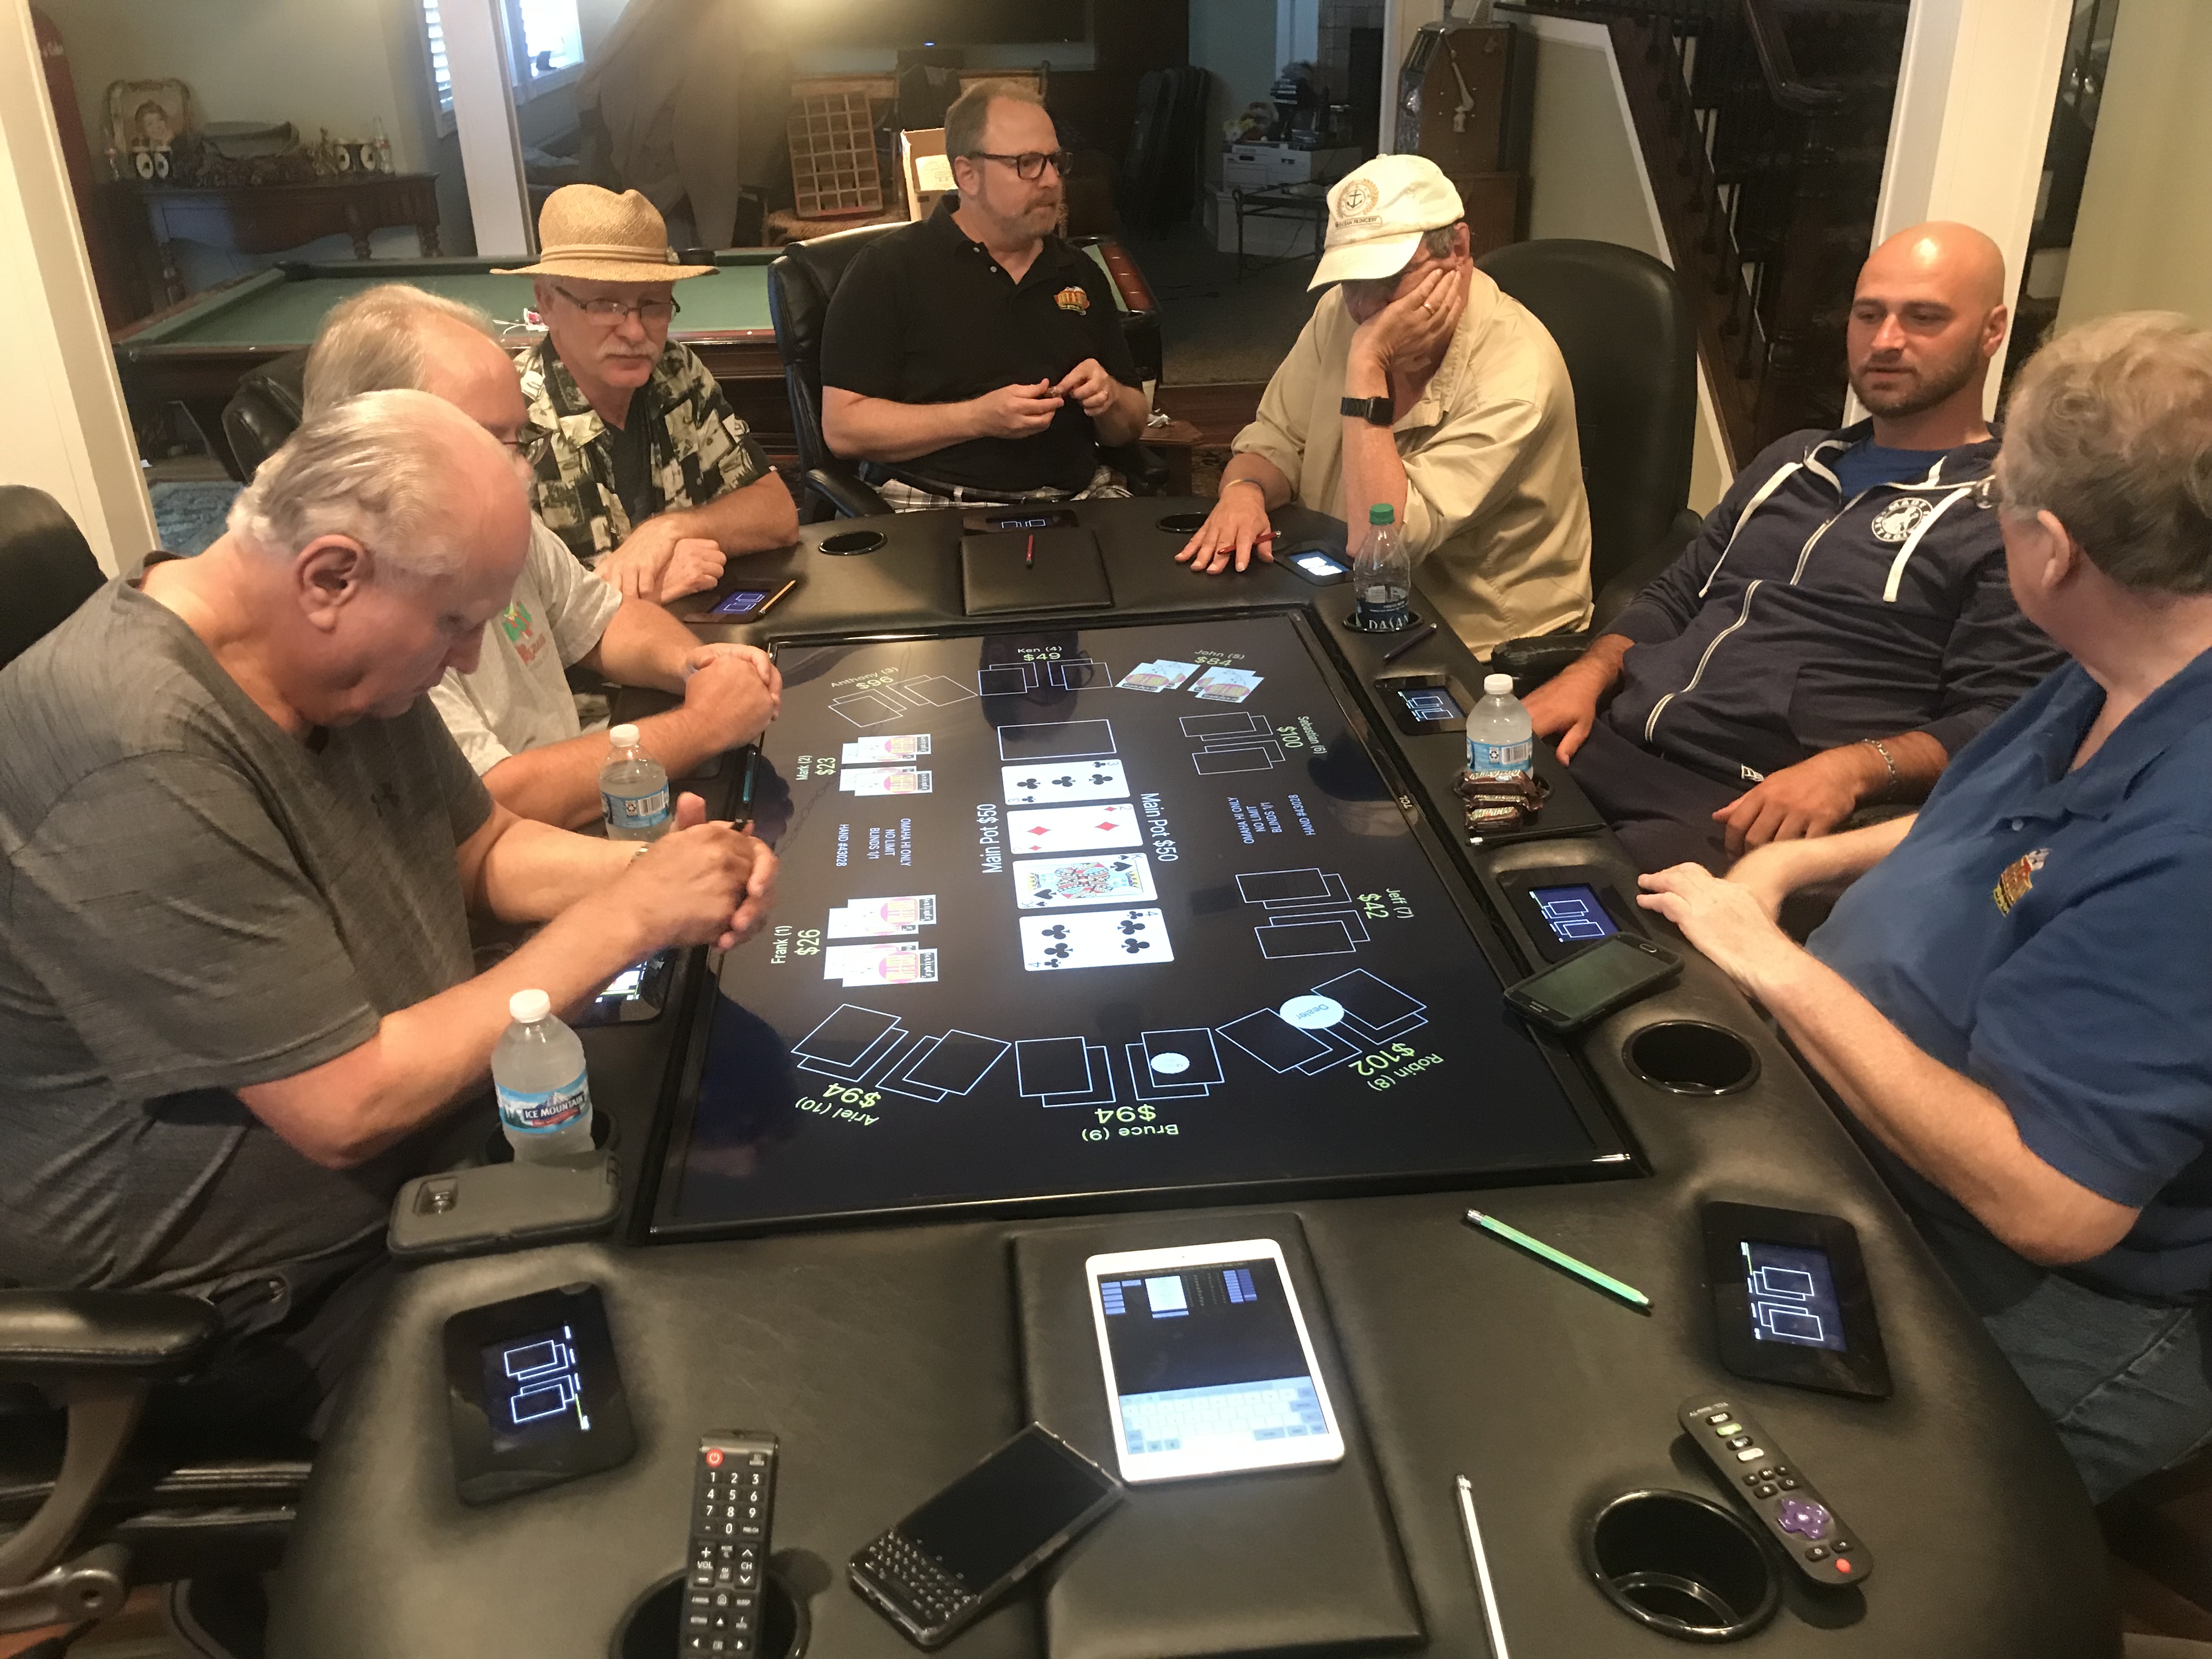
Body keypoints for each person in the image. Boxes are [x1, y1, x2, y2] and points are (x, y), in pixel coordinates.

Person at [0, 392, 777, 1442]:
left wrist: (654, 871)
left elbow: (480, 852)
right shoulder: (131, 748)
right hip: (249, 1300)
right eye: (455, 623)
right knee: (706, 1380)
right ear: (330, 575)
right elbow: (347, 1101)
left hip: (430, 1148)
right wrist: (631, 917)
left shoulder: (338, 667)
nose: (467, 658)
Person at [1638, 312, 2212, 1502]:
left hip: (2060, 1288)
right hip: (1865, 1140)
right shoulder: (2117, 666)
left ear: (2052, 549)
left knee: (1758, 1492)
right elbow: (1998, 829)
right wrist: (1801, 867)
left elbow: (2054, 1202)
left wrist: (1777, 967)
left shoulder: (2191, 832)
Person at [1523, 222, 2063, 872]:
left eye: (1923, 318)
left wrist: (1853, 770)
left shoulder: (2008, 513)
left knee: (1544, 908)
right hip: (1608, 739)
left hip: (1741, 803)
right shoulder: (1793, 460)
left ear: (1992, 330)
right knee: (1431, 819)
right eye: (1869, 315)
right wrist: (1585, 675)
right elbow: (1674, 596)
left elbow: (2004, 717)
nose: (1886, 341)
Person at [302, 284, 782, 828]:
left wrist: (697, 666)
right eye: (488, 440)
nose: (524, 472)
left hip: (577, 817)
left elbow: (603, 618)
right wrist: (704, 725)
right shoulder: (369, 607)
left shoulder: (494, 516)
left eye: (518, 439)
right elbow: (488, 807)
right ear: (372, 447)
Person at [1175, 153, 1594, 658]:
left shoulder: (1519, 375)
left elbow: (1384, 541)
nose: (1363, 308)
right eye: (1351, 280)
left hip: (1476, 642)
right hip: (1342, 598)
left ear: (1459, 249)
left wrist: (1368, 365)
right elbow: (1277, 439)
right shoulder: (1340, 312)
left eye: (1390, 280)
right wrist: (1244, 492)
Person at [819, 80, 1152, 509]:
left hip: (1077, 500)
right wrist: (977, 418)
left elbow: (1131, 425)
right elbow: (844, 429)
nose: (1052, 180)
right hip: (935, 503)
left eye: (1055, 161)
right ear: (967, 175)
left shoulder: (1080, 272)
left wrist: (1110, 398)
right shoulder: (887, 270)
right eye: (1027, 163)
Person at [500, 184, 798, 601]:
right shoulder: (508, 417)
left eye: (654, 305)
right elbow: (502, 616)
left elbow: (778, 514)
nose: (636, 332)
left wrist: (669, 530)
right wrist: (638, 594)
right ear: (546, 302)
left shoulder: (676, 370)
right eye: (605, 305)